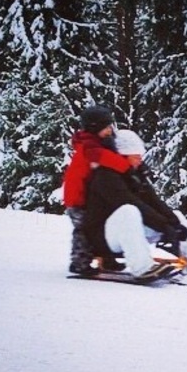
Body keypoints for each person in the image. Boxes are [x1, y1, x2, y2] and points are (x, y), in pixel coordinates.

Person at [85, 129, 187, 284]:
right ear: (122, 155)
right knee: (129, 211)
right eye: (136, 157)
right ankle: (142, 268)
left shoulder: (134, 175)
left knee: (177, 216)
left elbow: (153, 201)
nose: (140, 161)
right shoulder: (105, 176)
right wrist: (164, 226)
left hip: (127, 232)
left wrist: (174, 224)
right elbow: (132, 203)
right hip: (102, 237)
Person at [62, 105, 131, 276]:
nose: (110, 131)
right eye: (106, 127)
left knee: (100, 227)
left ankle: (106, 259)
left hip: (88, 196)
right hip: (77, 198)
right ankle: (79, 262)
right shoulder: (90, 148)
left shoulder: (94, 144)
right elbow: (112, 161)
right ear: (95, 128)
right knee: (84, 230)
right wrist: (129, 165)